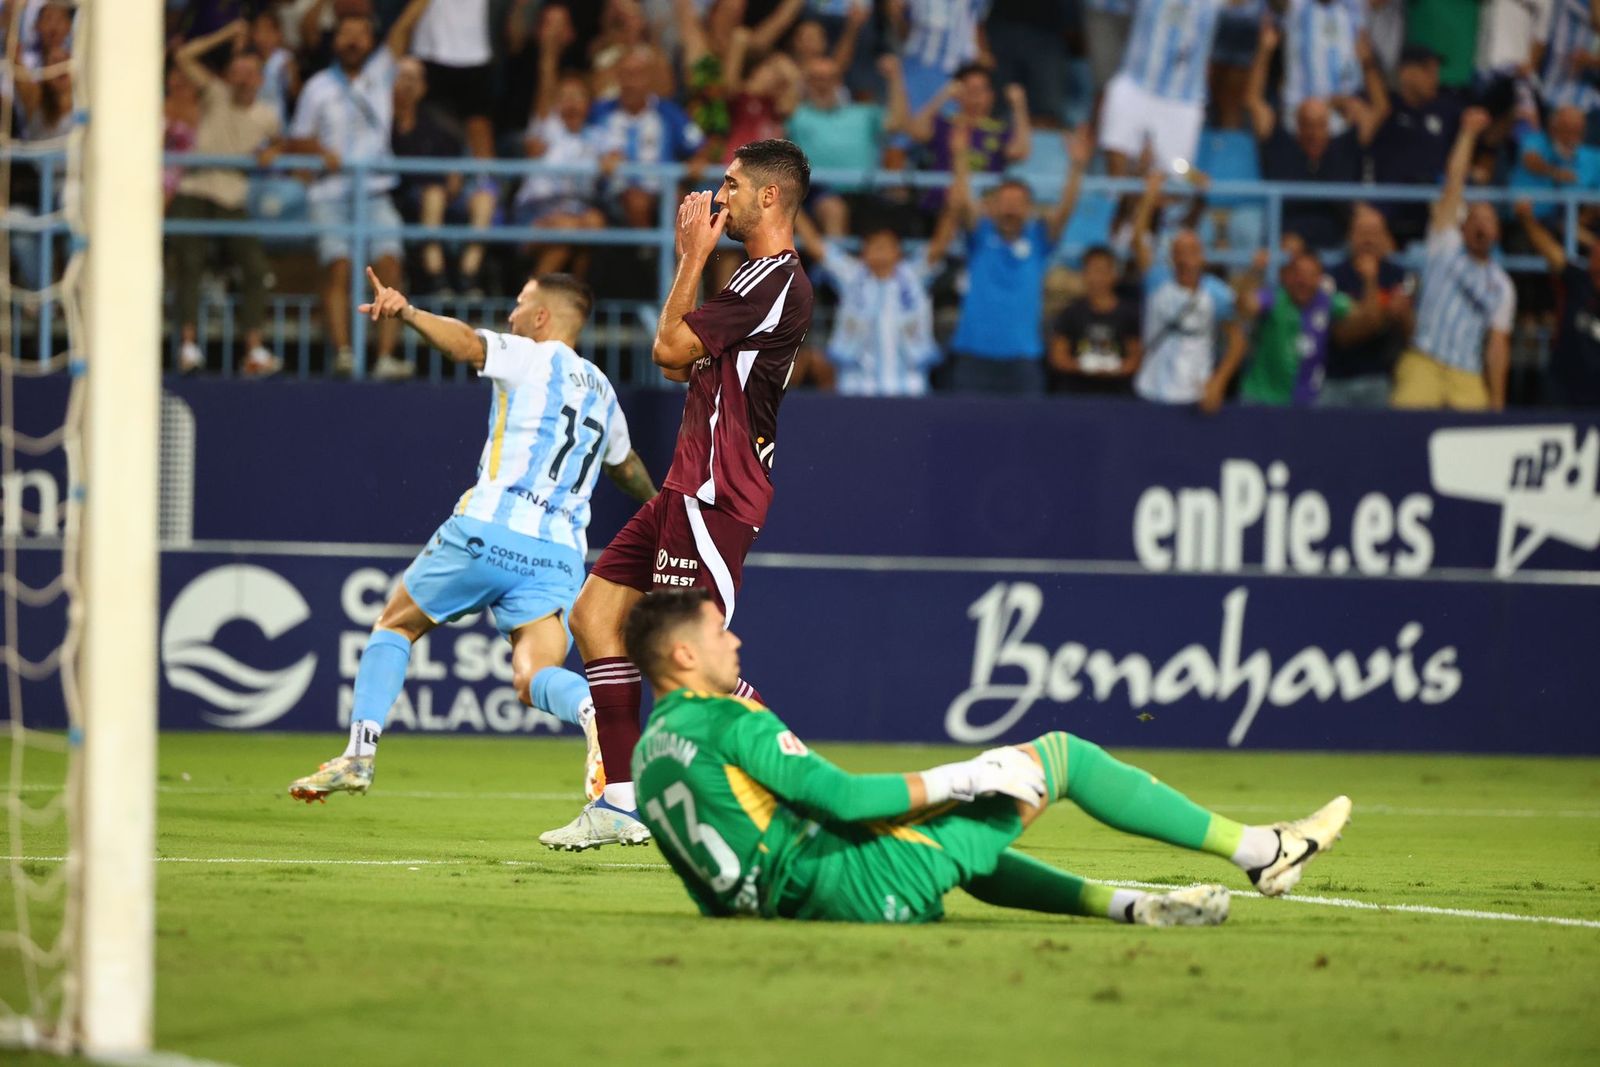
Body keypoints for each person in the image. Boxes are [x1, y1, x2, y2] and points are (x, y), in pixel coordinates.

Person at [627, 588, 1354, 925]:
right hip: (852, 884)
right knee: (1062, 754)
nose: (736, 642)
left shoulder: (650, 752)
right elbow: (843, 799)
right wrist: (963, 774)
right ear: (685, 653)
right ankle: (1263, 849)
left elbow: (718, 887)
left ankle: (1129, 906)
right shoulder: (726, 717)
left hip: (797, 900)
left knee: (960, 840)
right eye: (720, 633)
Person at [287, 270, 659, 802]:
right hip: (558, 558)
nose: (511, 314)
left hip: (490, 529)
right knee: (535, 676)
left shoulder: (530, 355)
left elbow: (467, 344)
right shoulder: (604, 393)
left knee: (395, 625)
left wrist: (409, 313)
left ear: (542, 317)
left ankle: (359, 754)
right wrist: (665, 509)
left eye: (519, 303)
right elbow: (626, 468)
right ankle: (592, 715)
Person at [542, 139, 816, 852]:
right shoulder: (752, 278)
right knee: (596, 614)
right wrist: (696, 272)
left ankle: (811, 789)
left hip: (716, 491)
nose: (717, 198)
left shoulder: (776, 279)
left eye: (729, 186)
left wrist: (691, 254)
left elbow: (667, 350)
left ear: (769, 198)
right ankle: (623, 802)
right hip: (684, 484)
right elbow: (681, 365)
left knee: (690, 662)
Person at [287, 0, 434, 379]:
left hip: (375, 193)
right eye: (345, 34)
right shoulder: (317, 87)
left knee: (390, 266)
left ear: (371, 40)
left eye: (360, 34)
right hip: (330, 195)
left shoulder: (383, 72)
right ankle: (343, 355)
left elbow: (403, 28)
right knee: (338, 268)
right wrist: (319, 149)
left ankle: (385, 358)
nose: (353, 41)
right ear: (334, 41)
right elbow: (296, 141)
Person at [168, 20, 284, 377]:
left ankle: (254, 351)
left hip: (233, 199)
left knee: (256, 268)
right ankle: (187, 347)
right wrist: (225, 34)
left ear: (261, 80)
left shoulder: (268, 116)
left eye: (249, 73)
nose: (242, 78)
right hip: (196, 190)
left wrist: (274, 149)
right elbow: (184, 55)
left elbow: (286, 142)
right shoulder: (214, 92)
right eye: (236, 72)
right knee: (189, 261)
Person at [945, 125, 1092, 395]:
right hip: (973, 355)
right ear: (992, 206)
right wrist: (959, 157)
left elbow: (1065, 211)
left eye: (1018, 201)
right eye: (1005, 201)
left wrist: (1077, 167)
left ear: (1029, 208)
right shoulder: (979, 236)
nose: (1011, 207)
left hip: (1023, 359)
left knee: (1026, 436)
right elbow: (963, 205)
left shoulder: (1038, 240)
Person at [1393, 108, 1515, 411]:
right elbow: (1454, 181)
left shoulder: (1502, 286)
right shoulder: (1444, 244)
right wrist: (1468, 134)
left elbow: (1498, 346)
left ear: (1497, 234)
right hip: (1425, 360)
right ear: (1463, 225)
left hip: (1466, 374)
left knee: (1475, 437)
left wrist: (1497, 402)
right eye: (1476, 218)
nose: (1482, 225)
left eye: (1489, 221)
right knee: (1402, 422)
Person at [1247, 22, 1388, 251]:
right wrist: (1265, 51)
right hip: (1289, 246)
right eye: (1307, 125)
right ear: (1298, 126)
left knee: (1373, 226)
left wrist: (1367, 64)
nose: (1314, 133)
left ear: (1328, 127)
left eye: (1320, 126)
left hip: (1342, 244)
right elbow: (1254, 101)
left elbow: (1380, 111)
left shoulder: (1343, 148)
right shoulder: (1282, 147)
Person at [794, 204, 955, 397]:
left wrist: (953, 206)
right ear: (864, 253)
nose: (879, 251)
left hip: (909, 388)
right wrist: (791, 205)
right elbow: (816, 246)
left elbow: (941, 243)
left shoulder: (914, 274)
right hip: (857, 387)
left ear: (897, 251)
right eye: (874, 246)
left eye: (885, 246)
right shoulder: (851, 275)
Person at [1129, 172, 1248, 413]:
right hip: (1151, 390)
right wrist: (1150, 195)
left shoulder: (1217, 293)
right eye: (1180, 251)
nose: (1186, 258)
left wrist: (1218, 382)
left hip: (1193, 396)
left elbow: (1237, 341)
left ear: (1202, 256)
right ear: (1172, 256)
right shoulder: (1157, 280)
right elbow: (1138, 240)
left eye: (1192, 251)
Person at [1098, 0, 1252, 176]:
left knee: (1174, 175)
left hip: (1183, 100)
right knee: (1117, 167)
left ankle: (1187, 193)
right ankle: (1118, 201)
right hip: (1135, 86)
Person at [390, 56, 496, 296]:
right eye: (403, 77)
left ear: (423, 88)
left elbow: (455, 165)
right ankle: (436, 277)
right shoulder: (382, 122)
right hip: (402, 195)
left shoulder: (437, 125)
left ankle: (469, 274)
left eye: (414, 79)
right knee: (434, 194)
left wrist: (455, 177)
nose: (408, 85)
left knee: (484, 197)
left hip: (442, 192)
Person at [514, 14, 607, 277]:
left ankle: (564, 309)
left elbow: (615, 160)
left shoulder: (598, 137)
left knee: (590, 227)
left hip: (578, 211)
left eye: (578, 97)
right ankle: (534, 307)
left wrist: (612, 162)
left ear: (589, 104)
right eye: (564, 97)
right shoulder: (546, 127)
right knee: (568, 235)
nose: (571, 103)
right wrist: (550, 48)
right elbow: (546, 76)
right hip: (537, 211)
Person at [1230, 249, 1385, 407]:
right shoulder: (1274, 299)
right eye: (1298, 273)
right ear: (1287, 276)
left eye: (1311, 275)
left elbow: (1370, 318)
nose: (1303, 280)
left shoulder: (1328, 302)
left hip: (1307, 404)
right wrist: (1254, 272)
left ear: (1320, 279)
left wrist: (1370, 279)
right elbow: (1243, 306)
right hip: (1260, 398)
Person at [1323, 204, 1416, 408]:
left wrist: (1405, 314)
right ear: (1350, 236)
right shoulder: (1333, 277)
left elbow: (1412, 339)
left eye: (1374, 233)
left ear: (1385, 237)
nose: (1368, 240)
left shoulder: (1400, 277)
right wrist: (1371, 281)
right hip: (1336, 379)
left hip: (1379, 379)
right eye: (1362, 232)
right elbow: (1343, 335)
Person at [1368, 44, 1461, 246]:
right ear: (1406, 73)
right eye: (1427, 70)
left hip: (1434, 202)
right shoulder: (1387, 109)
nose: (1434, 77)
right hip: (1391, 205)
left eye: (1436, 71)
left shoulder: (1447, 110)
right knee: (1368, 221)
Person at [1516, 202, 1600, 407]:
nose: (1595, 256)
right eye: (1595, 252)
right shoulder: (1578, 280)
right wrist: (1527, 219)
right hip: (1561, 389)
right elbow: (1550, 250)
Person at [1049, 245, 1143, 396]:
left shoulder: (1128, 314)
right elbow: (1058, 357)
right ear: (1083, 274)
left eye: (1102, 271)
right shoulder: (1070, 313)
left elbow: (1135, 358)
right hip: (1077, 395)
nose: (1096, 278)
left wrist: (1114, 370)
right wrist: (1083, 367)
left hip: (1117, 396)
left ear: (1114, 275)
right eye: (1091, 270)